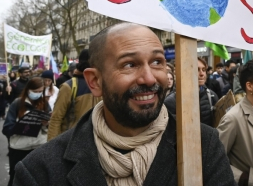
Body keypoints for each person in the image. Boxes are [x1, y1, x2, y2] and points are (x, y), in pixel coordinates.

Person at [14, 22, 234, 185]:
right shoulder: (40, 171)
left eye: (157, 62)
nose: (149, 78)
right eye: (129, 64)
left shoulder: (204, 146)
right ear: (95, 81)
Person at [3, 77, 50, 186]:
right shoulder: (17, 103)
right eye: (35, 91)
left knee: (36, 178)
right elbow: (7, 128)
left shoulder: (44, 104)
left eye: (40, 92)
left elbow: (50, 126)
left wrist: (46, 124)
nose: (38, 94)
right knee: (15, 178)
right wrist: (21, 125)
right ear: (28, 89)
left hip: (38, 146)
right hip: (19, 147)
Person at [48, 49, 102, 141]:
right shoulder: (69, 86)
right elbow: (56, 119)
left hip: (96, 140)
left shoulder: (102, 84)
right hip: (72, 142)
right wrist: (52, 149)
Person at [165, 57, 218, 127]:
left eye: (204, 70)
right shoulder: (171, 101)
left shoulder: (211, 96)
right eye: (197, 70)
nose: (202, 74)